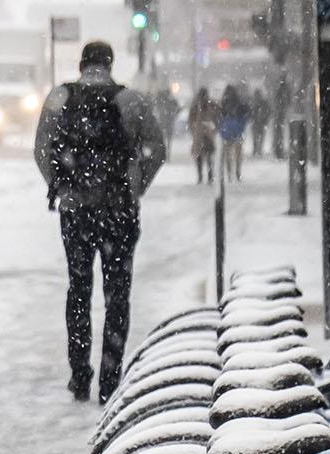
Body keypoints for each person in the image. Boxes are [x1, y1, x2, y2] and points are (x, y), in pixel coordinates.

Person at [35, 40, 167, 404]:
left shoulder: (60, 97)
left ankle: (80, 375)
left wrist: (63, 187)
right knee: (116, 294)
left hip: (76, 213)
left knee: (78, 289)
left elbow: (42, 148)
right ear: (110, 64)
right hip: (118, 212)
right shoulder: (131, 101)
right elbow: (158, 149)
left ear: (81, 64)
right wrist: (134, 187)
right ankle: (110, 378)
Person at [218, 84, 249, 181]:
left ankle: (229, 173)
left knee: (228, 155)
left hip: (227, 133)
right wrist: (241, 127)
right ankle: (237, 173)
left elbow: (219, 119)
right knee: (238, 155)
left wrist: (221, 128)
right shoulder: (239, 104)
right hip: (237, 132)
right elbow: (245, 116)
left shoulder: (223, 104)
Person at [188, 87, 218, 185]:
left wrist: (194, 130)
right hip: (207, 134)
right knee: (208, 157)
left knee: (200, 157)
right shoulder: (210, 105)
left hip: (199, 134)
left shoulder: (196, 106)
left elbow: (191, 121)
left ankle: (201, 176)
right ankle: (209, 176)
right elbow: (216, 117)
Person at [250, 86, 270, 157]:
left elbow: (250, 112)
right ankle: (258, 150)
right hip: (260, 122)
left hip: (258, 122)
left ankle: (257, 150)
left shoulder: (254, 102)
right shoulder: (262, 102)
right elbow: (268, 111)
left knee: (257, 137)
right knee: (259, 137)